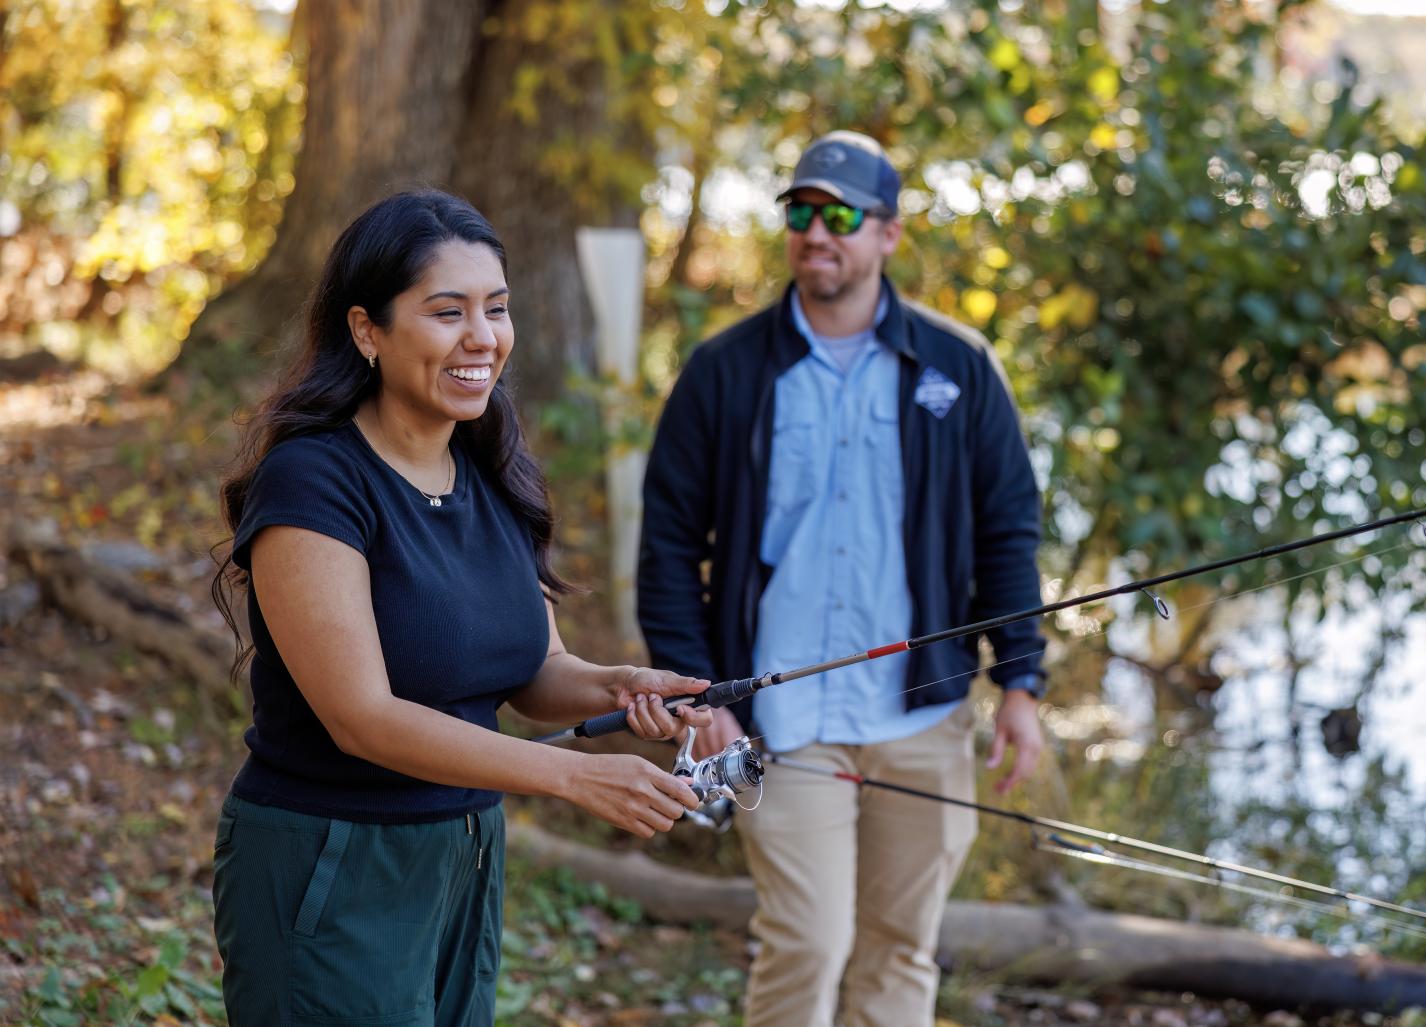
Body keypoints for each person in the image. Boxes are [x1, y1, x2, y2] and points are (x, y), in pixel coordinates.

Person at [210, 189, 710, 1026]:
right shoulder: (314, 482)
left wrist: (618, 685)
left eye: (497, 309)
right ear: (367, 330)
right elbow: (362, 717)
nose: (483, 337)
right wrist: (574, 774)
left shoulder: (490, 470)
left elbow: (536, 671)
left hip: (465, 854)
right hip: (331, 858)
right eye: (448, 312)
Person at [638, 131, 1050, 1027]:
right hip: (783, 723)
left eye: (840, 215)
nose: (816, 232)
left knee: (902, 949)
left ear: (888, 234)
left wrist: (1021, 678)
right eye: (800, 212)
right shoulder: (723, 372)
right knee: (808, 942)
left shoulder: (959, 367)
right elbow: (669, 543)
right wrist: (702, 693)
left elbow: (1006, 531)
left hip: (923, 714)